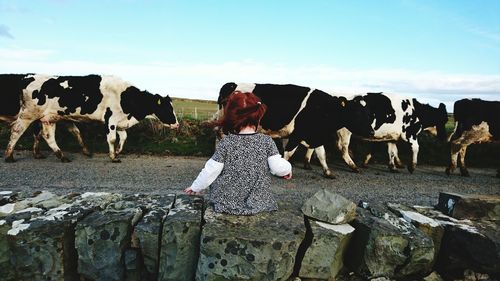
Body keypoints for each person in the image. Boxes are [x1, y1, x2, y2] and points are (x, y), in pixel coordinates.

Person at [184, 91, 292, 215]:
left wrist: (195, 187)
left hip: (226, 203)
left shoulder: (226, 143)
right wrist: (287, 169)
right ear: (258, 116)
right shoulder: (266, 141)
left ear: (231, 116)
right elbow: (278, 167)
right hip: (258, 203)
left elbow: (211, 171)